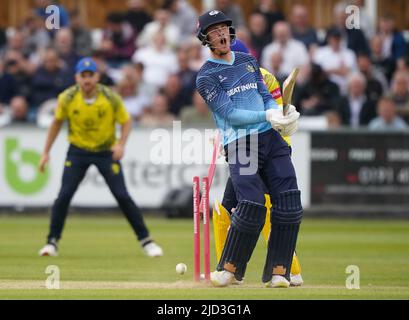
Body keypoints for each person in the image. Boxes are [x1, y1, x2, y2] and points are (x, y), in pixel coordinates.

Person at [196, 10, 302, 288]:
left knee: (289, 201)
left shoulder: (248, 61)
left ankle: (280, 271)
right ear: (205, 38)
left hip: (271, 140)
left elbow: (265, 96)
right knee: (252, 203)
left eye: (224, 28)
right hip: (241, 144)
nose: (220, 34)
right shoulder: (206, 77)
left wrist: (280, 116)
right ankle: (229, 269)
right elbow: (230, 113)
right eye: (214, 30)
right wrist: (265, 116)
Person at [37, 57, 163, 258]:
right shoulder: (67, 98)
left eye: (90, 75)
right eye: (83, 76)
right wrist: (45, 152)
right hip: (78, 151)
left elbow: (126, 121)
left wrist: (121, 145)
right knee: (63, 197)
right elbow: (56, 124)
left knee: (122, 196)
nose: (87, 80)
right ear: (77, 77)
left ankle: (146, 241)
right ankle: (52, 242)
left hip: (106, 151)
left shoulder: (110, 97)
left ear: (97, 76)